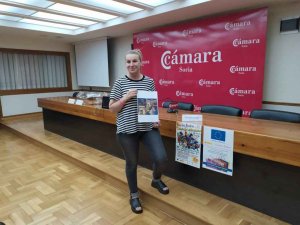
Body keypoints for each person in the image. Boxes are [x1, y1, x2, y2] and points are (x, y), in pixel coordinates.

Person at [109, 49, 169, 214]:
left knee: (161, 158)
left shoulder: (149, 81)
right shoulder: (120, 83)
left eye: (134, 61)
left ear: (141, 62)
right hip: (127, 130)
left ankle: (156, 180)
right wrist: (125, 97)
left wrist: (154, 118)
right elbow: (112, 108)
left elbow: (149, 106)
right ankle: (134, 195)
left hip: (147, 128)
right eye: (128, 62)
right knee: (132, 163)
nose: (131, 65)